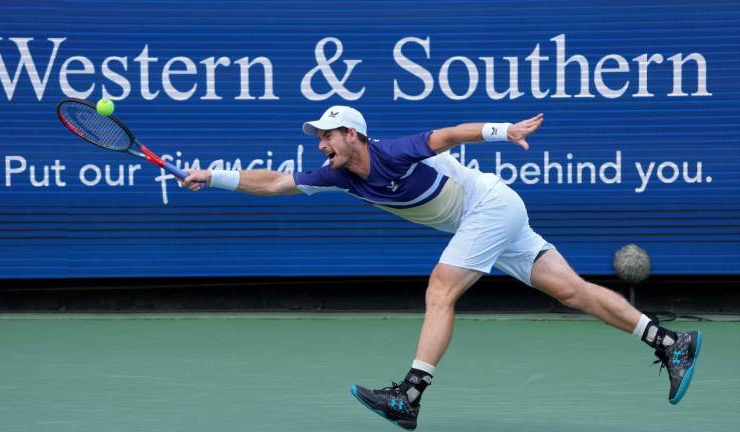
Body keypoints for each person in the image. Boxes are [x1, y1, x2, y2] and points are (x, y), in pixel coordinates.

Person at [182, 106, 702, 431]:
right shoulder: (338, 176)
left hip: (490, 207)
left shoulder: (393, 152)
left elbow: (452, 134)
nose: (321, 145)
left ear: (354, 135)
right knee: (572, 291)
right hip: (490, 222)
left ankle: (408, 396)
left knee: (440, 290)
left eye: (328, 135)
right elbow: (274, 182)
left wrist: (505, 130)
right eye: (319, 137)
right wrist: (215, 176)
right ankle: (668, 342)